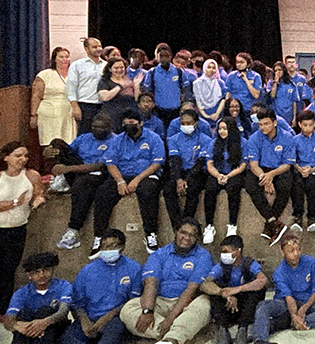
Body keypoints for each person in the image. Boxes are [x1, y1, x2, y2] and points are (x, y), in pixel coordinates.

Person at [119, 217, 213, 344]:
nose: (187, 238)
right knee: (128, 309)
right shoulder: (159, 254)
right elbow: (151, 283)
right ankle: (181, 337)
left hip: (187, 303)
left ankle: (169, 342)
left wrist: (169, 319)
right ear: (175, 232)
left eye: (192, 235)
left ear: (197, 239)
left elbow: (191, 290)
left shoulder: (203, 256)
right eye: (183, 232)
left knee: (205, 304)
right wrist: (147, 311)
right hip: (160, 301)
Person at [241, 234, 315, 344]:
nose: (296, 254)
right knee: (263, 306)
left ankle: (295, 323)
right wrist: (294, 315)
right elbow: (289, 299)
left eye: (298, 249)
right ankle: (260, 343)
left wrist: (304, 310)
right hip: (286, 305)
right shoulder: (279, 272)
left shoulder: (312, 263)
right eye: (291, 251)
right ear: (281, 251)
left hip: (309, 304)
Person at [59, 228, 140, 344]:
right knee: (66, 338)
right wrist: (84, 320)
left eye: (113, 245)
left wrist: (108, 317)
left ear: (122, 247)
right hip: (89, 319)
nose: (109, 249)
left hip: (116, 318)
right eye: (105, 246)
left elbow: (133, 302)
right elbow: (76, 301)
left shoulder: (134, 268)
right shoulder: (87, 271)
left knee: (116, 326)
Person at [91, 109, 165, 258]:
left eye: (131, 123)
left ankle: (150, 234)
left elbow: (156, 163)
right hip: (122, 175)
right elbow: (110, 163)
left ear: (140, 123)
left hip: (146, 176)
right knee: (102, 192)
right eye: (125, 123)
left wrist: (137, 180)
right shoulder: (117, 140)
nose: (128, 126)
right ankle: (99, 237)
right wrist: (120, 181)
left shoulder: (153, 138)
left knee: (148, 192)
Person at [50, 112, 114, 250]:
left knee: (82, 184)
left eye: (101, 127)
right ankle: (62, 180)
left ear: (109, 127)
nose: (97, 130)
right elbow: (67, 152)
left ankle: (73, 230)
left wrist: (67, 169)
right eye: (94, 127)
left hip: (98, 174)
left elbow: (99, 165)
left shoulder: (115, 140)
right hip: (78, 171)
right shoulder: (84, 137)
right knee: (58, 144)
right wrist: (55, 160)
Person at [5, 252, 72, 344]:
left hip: (55, 327)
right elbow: (9, 320)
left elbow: (64, 310)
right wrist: (20, 327)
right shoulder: (21, 293)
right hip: (30, 330)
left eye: (46, 270)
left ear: (52, 270)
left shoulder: (63, 285)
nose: (42, 275)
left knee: (45, 311)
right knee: (23, 316)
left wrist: (45, 322)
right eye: (36, 272)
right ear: (29, 275)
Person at [200, 235, 268, 344]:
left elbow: (262, 280)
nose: (223, 254)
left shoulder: (248, 264)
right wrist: (224, 293)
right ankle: (223, 330)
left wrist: (237, 290)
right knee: (213, 295)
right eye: (222, 252)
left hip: (245, 307)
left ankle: (242, 330)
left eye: (226, 251)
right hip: (228, 306)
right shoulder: (221, 266)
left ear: (238, 251)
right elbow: (205, 284)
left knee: (257, 292)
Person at [0, 142, 45, 316]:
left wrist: (38, 200)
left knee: (8, 269)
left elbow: (38, 193)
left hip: (17, 228)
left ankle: (3, 309)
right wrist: (14, 203)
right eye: (18, 156)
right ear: (6, 158)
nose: (23, 160)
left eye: (25, 156)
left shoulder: (31, 175)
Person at [245, 106, 296, 246]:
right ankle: (273, 222)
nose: (262, 127)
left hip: (279, 169)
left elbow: (287, 164)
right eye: (260, 124)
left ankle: (270, 225)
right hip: (261, 169)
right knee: (249, 183)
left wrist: (271, 175)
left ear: (274, 122)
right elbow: (253, 164)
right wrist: (265, 178)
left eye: (266, 124)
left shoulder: (287, 137)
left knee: (286, 185)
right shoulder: (254, 138)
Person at [163, 109, 212, 232]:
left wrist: (187, 180)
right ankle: (177, 224)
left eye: (189, 123)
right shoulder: (174, 139)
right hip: (180, 171)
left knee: (193, 187)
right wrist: (179, 180)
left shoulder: (205, 139)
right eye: (183, 123)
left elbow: (201, 162)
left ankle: (187, 221)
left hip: (197, 172)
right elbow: (175, 160)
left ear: (196, 123)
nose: (186, 126)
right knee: (168, 188)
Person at [205, 117, 247, 243]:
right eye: (220, 129)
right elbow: (209, 164)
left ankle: (232, 225)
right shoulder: (213, 143)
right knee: (210, 189)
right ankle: (209, 226)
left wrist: (228, 176)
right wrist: (218, 176)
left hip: (234, 174)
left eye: (225, 129)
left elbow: (243, 165)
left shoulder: (242, 142)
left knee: (233, 189)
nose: (222, 131)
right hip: (218, 173)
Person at [30, 46, 75, 147]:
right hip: (49, 114)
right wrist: (33, 115)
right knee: (50, 143)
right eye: (61, 57)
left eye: (67, 57)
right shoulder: (45, 74)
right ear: (54, 59)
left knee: (67, 144)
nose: (65, 59)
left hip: (68, 114)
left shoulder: (73, 75)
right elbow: (36, 96)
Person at [290, 110, 315, 233]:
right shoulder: (294, 140)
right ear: (300, 125)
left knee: (312, 184)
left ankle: (312, 218)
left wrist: (312, 170)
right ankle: (297, 217)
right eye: (305, 125)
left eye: (310, 125)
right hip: (299, 170)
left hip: (314, 171)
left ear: (314, 124)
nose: (307, 127)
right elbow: (292, 160)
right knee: (297, 184)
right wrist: (300, 169)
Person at [143, 46, 190, 129]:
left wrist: (184, 104)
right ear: (157, 57)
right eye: (161, 56)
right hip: (158, 111)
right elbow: (147, 91)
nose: (164, 59)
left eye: (166, 56)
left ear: (171, 56)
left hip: (176, 110)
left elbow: (186, 90)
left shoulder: (179, 71)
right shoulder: (152, 72)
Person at [67, 37, 106, 135]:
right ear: (86, 49)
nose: (98, 49)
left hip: (103, 106)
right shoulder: (77, 65)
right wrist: (75, 106)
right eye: (94, 47)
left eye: (100, 46)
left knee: (102, 134)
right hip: (85, 106)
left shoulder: (106, 65)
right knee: (85, 135)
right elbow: (71, 87)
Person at [98, 57, 140, 133]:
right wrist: (120, 86)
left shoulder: (129, 80)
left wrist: (136, 85)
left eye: (122, 67)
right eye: (116, 68)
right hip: (112, 116)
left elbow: (136, 99)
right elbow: (105, 97)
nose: (119, 70)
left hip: (127, 116)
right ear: (110, 69)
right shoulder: (104, 81)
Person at [193, 59, 229, 128]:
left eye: (213, 68)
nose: (211, 70)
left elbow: (223, 99)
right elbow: (198, 101)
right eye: (209, 67)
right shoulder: (197, 83)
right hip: (202, 115)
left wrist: (216, 114)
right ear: (204, 68)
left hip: (218, 114)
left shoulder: (220, 83)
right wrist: (207, 116)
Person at [268, 61, 299, 125]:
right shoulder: (271, 83)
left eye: (279, 70)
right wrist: (276, 82)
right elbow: (272, 96)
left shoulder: (291, 84)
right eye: (275, 70)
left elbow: (294, 102)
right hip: (275, 115)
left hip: (288, 116)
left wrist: (294, 117)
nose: (278, 72)